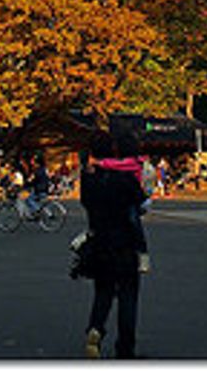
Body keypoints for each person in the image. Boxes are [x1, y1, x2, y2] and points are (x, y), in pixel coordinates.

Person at [80, 132, 147, 359]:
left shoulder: (88, 180)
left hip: (99, 241)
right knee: (128, 295)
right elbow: (141, 203)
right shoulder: (125, 180)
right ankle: (125, 347)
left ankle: (95, 328)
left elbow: (86, 203)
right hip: (125, 243)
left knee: (103, 291)